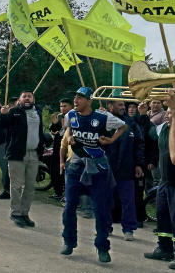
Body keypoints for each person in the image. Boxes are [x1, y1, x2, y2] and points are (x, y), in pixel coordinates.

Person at [60, 87, 127, 263]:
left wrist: (111, 139)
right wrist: (69, 138)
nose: (76, 101)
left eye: (80, 98)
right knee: (69, 206)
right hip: (76, 165)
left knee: (101, 209)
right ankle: (68, 241)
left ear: (90, 101)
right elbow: (69, 130)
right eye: (75, 97)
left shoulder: (102, 117)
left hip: (98, 166)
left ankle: (102, 247)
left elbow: (123, 126)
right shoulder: (70, 115)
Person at [0, 90, 50, 228]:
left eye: (29, 96)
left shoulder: (37, 111)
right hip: (17, 154)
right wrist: (2, 115)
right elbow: (2, 126)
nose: (27, 98)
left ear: (33, 99)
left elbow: (39, 131)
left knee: (30, 186)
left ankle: (24, 213)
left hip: (34, 154)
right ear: (19, 100)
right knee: (16, 186)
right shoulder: (14, 112)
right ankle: (15, 213)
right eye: (24, 96)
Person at [144, 102, 175, 270]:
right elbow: (146, 132)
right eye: (168, 113)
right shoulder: (162, 128)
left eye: (171, 113)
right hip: (164, 181)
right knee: (162, 216)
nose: (167, 115)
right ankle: (164, 248)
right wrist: (143, 114)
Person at [106, 100, 144, 241]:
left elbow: (139, 143)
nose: (123, 107)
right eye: (120, 105)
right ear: (110, 106)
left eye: (124, 105)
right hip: (107, 168)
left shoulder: (131, 123)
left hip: (127, 168)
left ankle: (128, 229)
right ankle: (105, 227)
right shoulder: (103, 121)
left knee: (128, 201)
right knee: (106, 199)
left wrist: (139, 164)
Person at [48, 98, 73, 199]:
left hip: (67, 149)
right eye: (61, 106)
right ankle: (57, 191)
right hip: (57, 148)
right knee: (55, 171)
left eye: (65, 106)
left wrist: (63, 130)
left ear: (70, 106)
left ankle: (68, 195)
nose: (62, 108)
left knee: (66, 173)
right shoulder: (59, 117)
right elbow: (54, 130)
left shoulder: (73, 116)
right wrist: (54, 124)